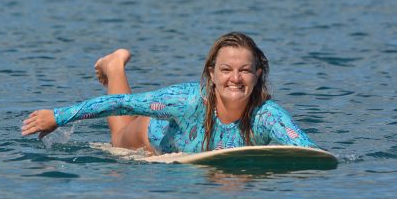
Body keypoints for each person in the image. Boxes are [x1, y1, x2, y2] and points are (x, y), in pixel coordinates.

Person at [22, 32, 319, 154]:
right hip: (151, 135)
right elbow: (122, 103)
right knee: (118, 135)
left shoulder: (268, 116)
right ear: (212, 75)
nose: (235, 79)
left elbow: (309, 152)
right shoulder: (186, 100)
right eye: (226, 70)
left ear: (258, 75)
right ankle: (114, 67)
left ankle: (115, 65)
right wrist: (58, 117)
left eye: (244, 70)